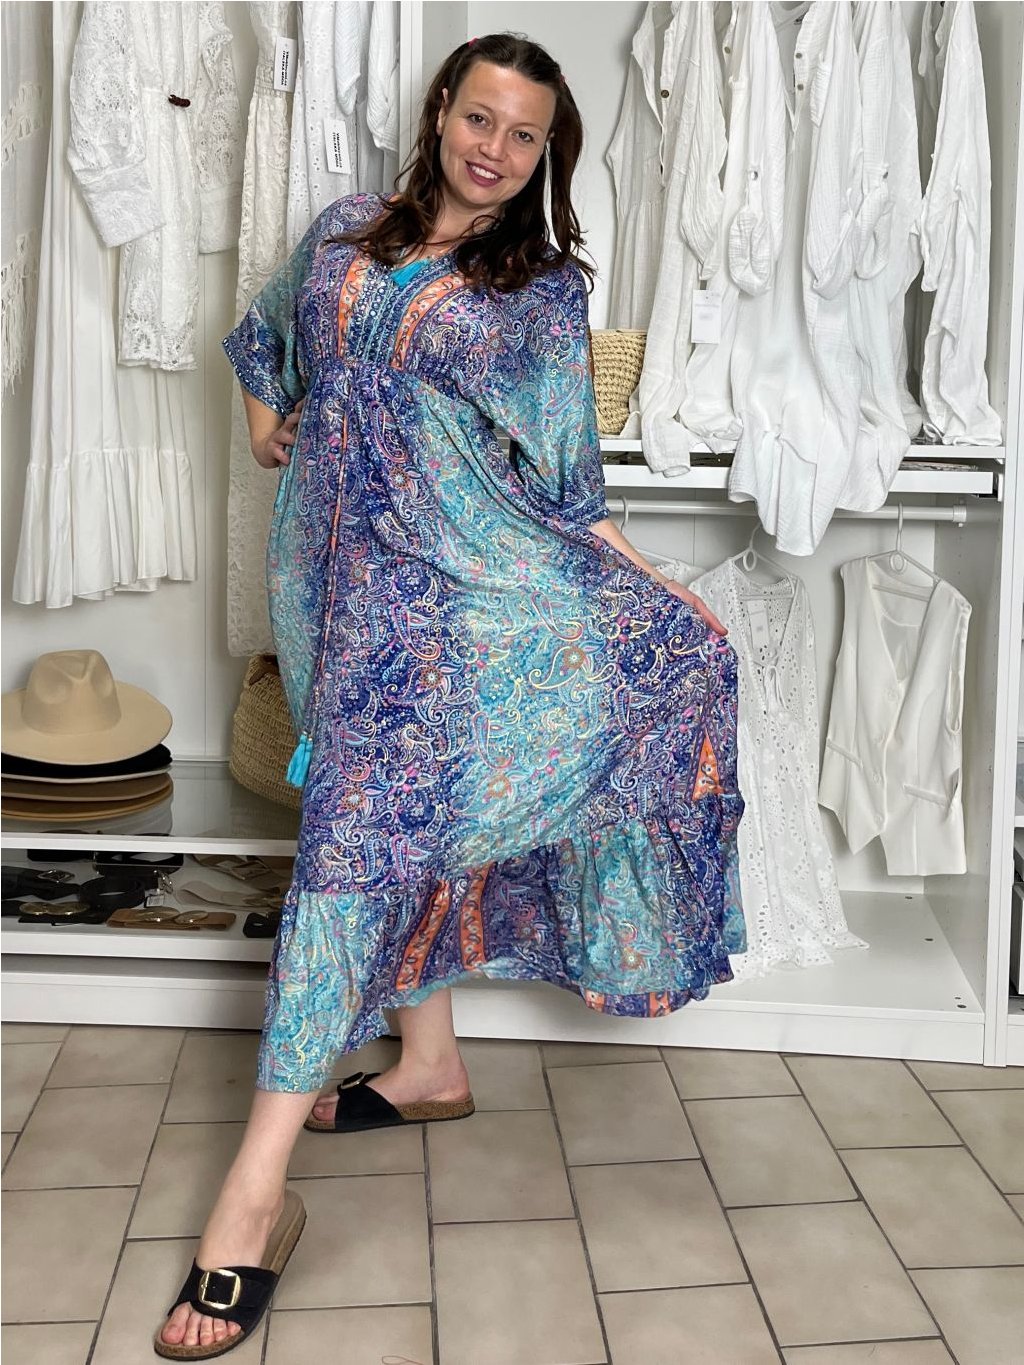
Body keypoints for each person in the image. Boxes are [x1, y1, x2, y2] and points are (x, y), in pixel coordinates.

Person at [155, 32, 744, 1359]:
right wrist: (266, 420)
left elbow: (566, 486)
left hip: (456, 604)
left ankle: (249, 1202)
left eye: (526, 136)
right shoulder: (341, 230)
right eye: (482, 118)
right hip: (330, 596)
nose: (497, 150)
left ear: (546, 155)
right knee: (387, 839)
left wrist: (656, 592)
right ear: (440, 111)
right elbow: (262, 341)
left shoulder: (540, 290)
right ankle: (430, 1067)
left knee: (349, 860)